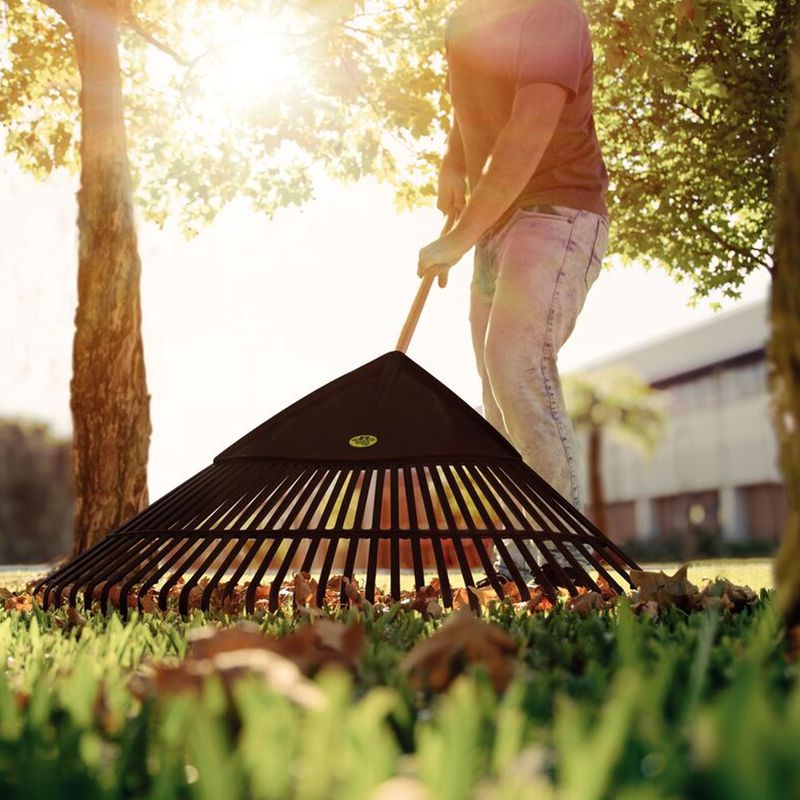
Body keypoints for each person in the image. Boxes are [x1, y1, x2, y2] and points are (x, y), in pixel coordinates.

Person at [417, 0, 609, 586]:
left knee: (515, 361)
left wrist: (458, 235)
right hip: (496, 225)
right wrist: (454, 160)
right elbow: (471, 107)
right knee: (496, 397)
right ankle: (522, 554)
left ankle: (566, 553)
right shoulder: (465, 20)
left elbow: (529, 127)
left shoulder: (551, 12)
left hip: (557, 212)